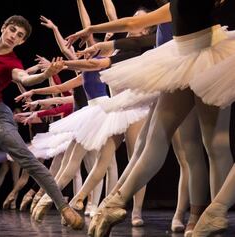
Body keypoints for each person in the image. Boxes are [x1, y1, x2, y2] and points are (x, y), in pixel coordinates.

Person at [66, 1, 235, 236]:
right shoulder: (175, 5)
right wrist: (91, 30)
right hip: (185, 56)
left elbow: (135, 25)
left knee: (210, 143)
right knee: (173, 140)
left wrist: (91, 30)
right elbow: (133, 23)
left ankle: (209, 214)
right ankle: (117, 203)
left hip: (208, 57)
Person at [0, 15, 83, 232]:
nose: (14, 36)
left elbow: (24, 78)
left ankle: (64, 207)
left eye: (20, 35)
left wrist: (46, 74)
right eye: (12, 30)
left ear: (22, 42)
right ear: (3, 28)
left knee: (27, 161)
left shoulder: (11, 62)